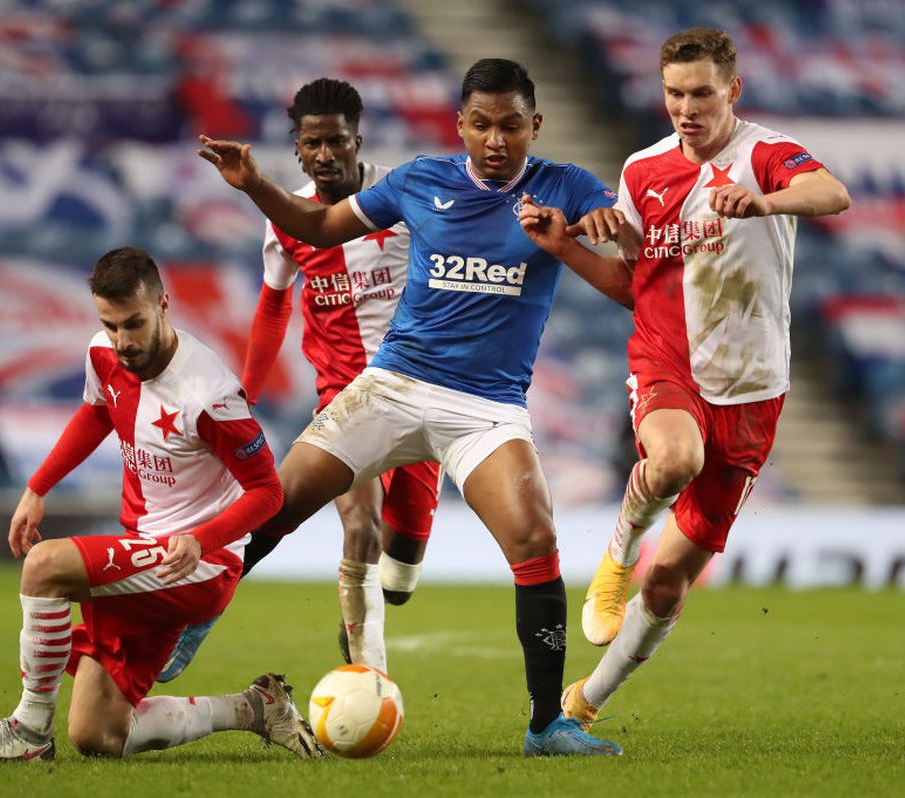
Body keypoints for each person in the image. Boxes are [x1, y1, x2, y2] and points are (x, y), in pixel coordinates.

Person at [196, 58, 623, 757]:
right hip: (392, 384)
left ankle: (547, 724)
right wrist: (257, 188)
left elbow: (635, 274)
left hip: (487, 407)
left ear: (534, 125)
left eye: (510, 125)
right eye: (481, 124)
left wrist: (597, 232)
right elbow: (323, 224)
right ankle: (180, 620)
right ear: (460, 125)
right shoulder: (423, 179)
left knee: (535, 540)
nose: (495, 140)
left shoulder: (566, 187)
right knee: (278, 499)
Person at [518, 27, 851, 731]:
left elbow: (831, 193)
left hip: (754, 387)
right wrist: (563, 246)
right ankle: (616, 554)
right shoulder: (644, 170)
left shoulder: (763, 155)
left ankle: (588, 701)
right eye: (674, 93)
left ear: (732, 90)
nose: (686, 107)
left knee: (670, 583)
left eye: (701, 93)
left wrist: (767, 202)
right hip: (668, 359)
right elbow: (636, 283)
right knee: (673, 458)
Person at [0, 247, 321, 762]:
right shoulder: (103, 353)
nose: (123, 341)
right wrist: (37, 488)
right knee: (98, 735)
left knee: (45, 566)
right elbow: (96, 413)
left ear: (164, 304)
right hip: (143, 552)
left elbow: (268, 492)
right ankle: (256, 708)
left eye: (134, 324)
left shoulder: (211, 395)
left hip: (199, 564)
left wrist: (200, 540)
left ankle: (28, 731)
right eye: (111, 324)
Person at [158, 78, 442, 683]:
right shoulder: (285, 216)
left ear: (357, 140)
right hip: (345, 396)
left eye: (336, 141)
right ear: (297, 148)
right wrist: (248, 393)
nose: (324, 154)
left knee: (400, 572)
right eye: (312, 143)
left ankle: (366, 609)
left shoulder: (405, 198)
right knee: (332, 519)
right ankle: (367, 677)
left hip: (418, 395)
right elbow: (271, 307)